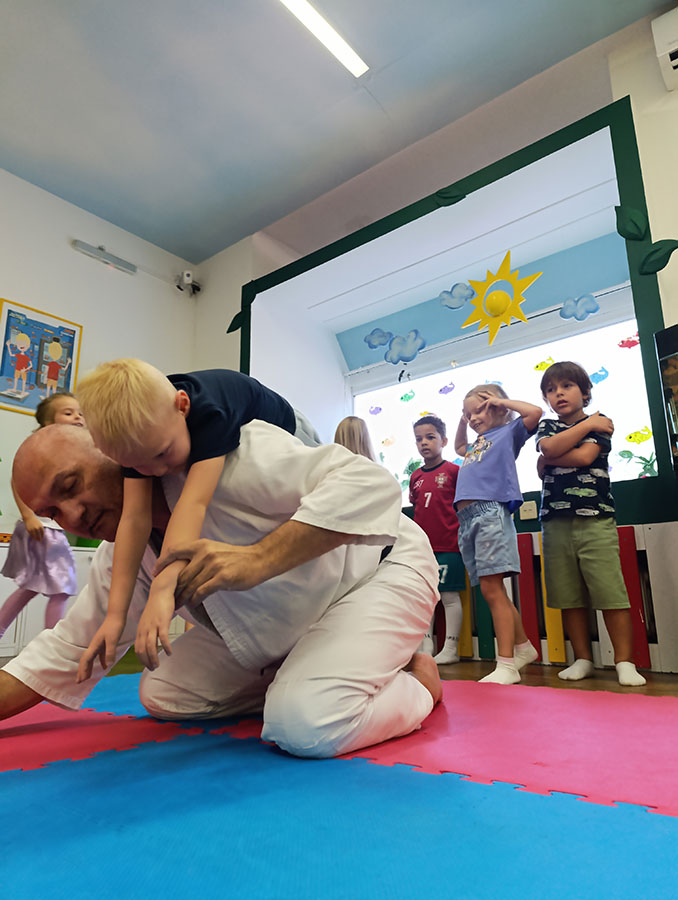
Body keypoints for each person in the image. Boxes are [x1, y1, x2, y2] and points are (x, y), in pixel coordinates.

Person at [1, 421, 441, 760]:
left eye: (71, 486)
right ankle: (318, 674)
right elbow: (64, 652)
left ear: (110, 448)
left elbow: (371, 484)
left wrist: (260, 558)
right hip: (293, 626)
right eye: (53, 512)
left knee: (305, 723)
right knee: (163, 691)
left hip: (378, 570)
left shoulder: (228, 455)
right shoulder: (121, 556)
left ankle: (419, 684)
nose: (73, 515)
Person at [75, 360, 319, 682]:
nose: (156, 472)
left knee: (319, 502)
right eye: (137, 466)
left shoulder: (210, 415)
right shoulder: (144, 437)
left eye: (162, 454)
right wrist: (115, 616)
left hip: (290, 426)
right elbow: (134, 521)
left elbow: (192, 505)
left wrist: (163, 589)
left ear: (183, 406)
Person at [536, 361, 646, 687]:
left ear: (585, 392)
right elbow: (548, 447)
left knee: (610, 592)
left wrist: (548, 459)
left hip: (596, 518)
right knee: (567, 595)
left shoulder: (601, 423)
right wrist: (554, 450)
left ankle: (624, 661)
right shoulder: (549, 426)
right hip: (555, 521)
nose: (558, 393)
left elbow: (584, 457)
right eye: (551, 390)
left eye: (566, 386)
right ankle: (583, 658)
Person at [454, 384, 541, 684]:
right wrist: (462, 420)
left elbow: (535, 412)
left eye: (479, 411)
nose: (473, 418)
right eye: (468, 414)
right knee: (493, 590)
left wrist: (502, 402)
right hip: (467, 520)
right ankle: (523, 648)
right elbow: (458, 447)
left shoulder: (507, 433)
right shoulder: (476, 444)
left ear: (498, 408)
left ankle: (506, 664)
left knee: (493, 590)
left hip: (490, 513)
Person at [0, 393, 84, 640]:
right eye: (68, 413)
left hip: (48, 527)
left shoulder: (69, 449)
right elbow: (17, 480)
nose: (77, 417)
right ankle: (51, 644)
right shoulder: (44, 448)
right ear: (48, 422)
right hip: (42, 528)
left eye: (80, 413)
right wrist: (28, 516)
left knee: (30, 587)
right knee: (62, 589)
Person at [409, 415, 465, 665]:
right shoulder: (415, 477)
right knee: (426, 596)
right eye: (419, 439)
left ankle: (451, 647)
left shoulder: (454, 471)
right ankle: (426, 644)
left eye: (430, 437)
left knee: (449, 596)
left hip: (449, 545)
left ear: (443, 441)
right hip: (424, 548)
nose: (424, 443)